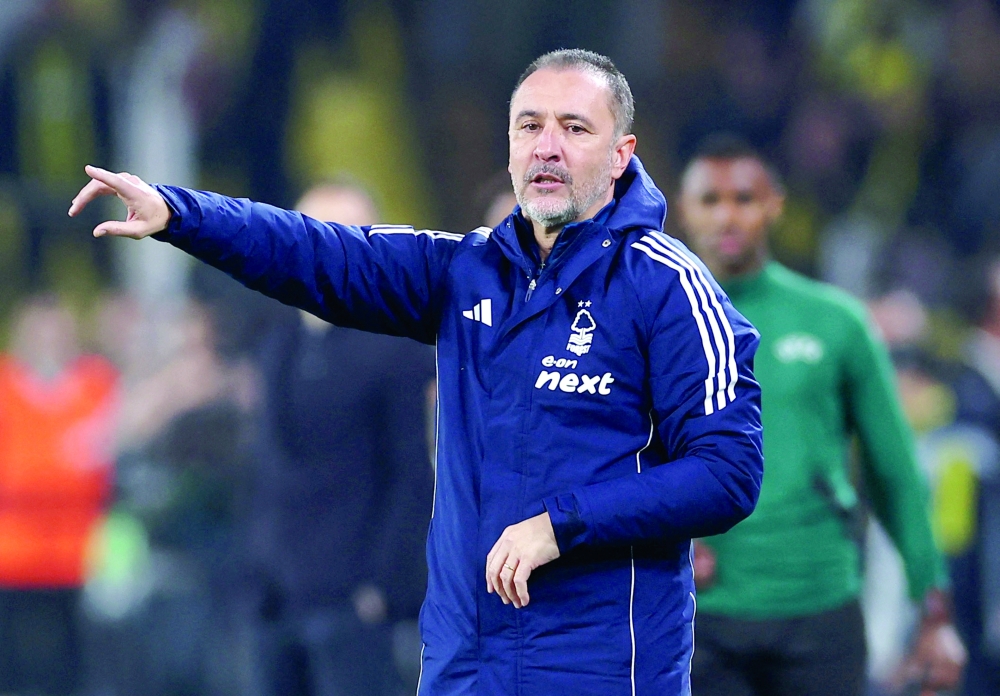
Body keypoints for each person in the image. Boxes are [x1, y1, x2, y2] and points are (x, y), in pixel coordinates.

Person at [69, 49, 764, 695]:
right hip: (466, 661)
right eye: (530, 126)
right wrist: (180, 214)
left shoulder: (668, 287)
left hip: (600, 663)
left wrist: (563, 523)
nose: (547, 146)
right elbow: (319, 253)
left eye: (574, 127)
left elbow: (728, 472)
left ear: (621, 155)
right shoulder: (466, 272)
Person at [676, 134, 966, 696]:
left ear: (775, 204)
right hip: (699, 614)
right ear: (684, 209)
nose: (727, 215)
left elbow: (896, 475)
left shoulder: (837, 323)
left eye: (744, 198)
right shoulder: (656, 323)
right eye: (710, 200)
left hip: (819, 605)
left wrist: (933, 608)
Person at [250, 182, 435, 696]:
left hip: (356, 603)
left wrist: (380, 587)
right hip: (277, 597)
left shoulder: (398, 343)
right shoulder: (277, 337)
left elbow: (414, 475)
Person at [0, 294, 118, 696]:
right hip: (13, 556)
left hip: (81, 554)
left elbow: (109, 458)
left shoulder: (97, 383)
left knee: (78, 666)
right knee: (14, 666)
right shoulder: (5, 386)